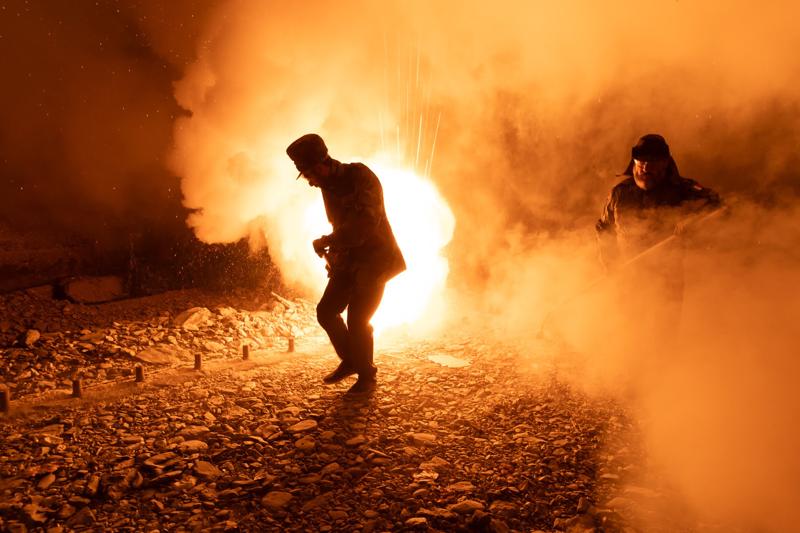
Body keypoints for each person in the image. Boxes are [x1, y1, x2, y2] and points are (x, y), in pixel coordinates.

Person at [286, 134, 406, 394]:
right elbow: (341, 227)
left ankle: (366, 376)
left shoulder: (360, 177)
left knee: (358, 320)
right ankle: (352, 360)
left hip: (375, 261)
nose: (310, 182)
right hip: (350, 262)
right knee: (326, 311)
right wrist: (332, 253)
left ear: (321, 165)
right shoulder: (327, 187)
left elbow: (364, 225)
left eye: (309, 175)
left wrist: (329, 241)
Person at [595, 133, 721, 335]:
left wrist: (693, 219)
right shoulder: (619, 193)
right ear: (634, 162)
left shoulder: (682, 190)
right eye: (642, 161)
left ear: (665, 163)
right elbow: (604, 229)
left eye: (653, 162)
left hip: (667, 282)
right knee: (629, 334)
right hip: (628, 280)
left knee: (661, 335)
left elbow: (717, 203)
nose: (646, 167)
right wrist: (610, 263)